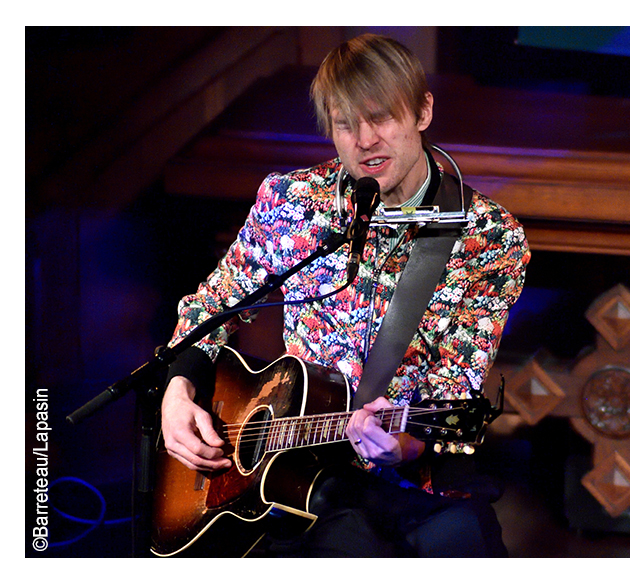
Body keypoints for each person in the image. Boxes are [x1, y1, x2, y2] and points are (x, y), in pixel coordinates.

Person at [159, 33, 530, 557]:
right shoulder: (291, 202)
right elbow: (210, 308)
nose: (364, 141)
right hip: (286, 473)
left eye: (380, 118)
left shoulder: (488, 235)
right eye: (345, 124)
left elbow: (455, 389)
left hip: (409, 478)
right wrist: (178, 391)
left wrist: (402, 443)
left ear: (423, 111)